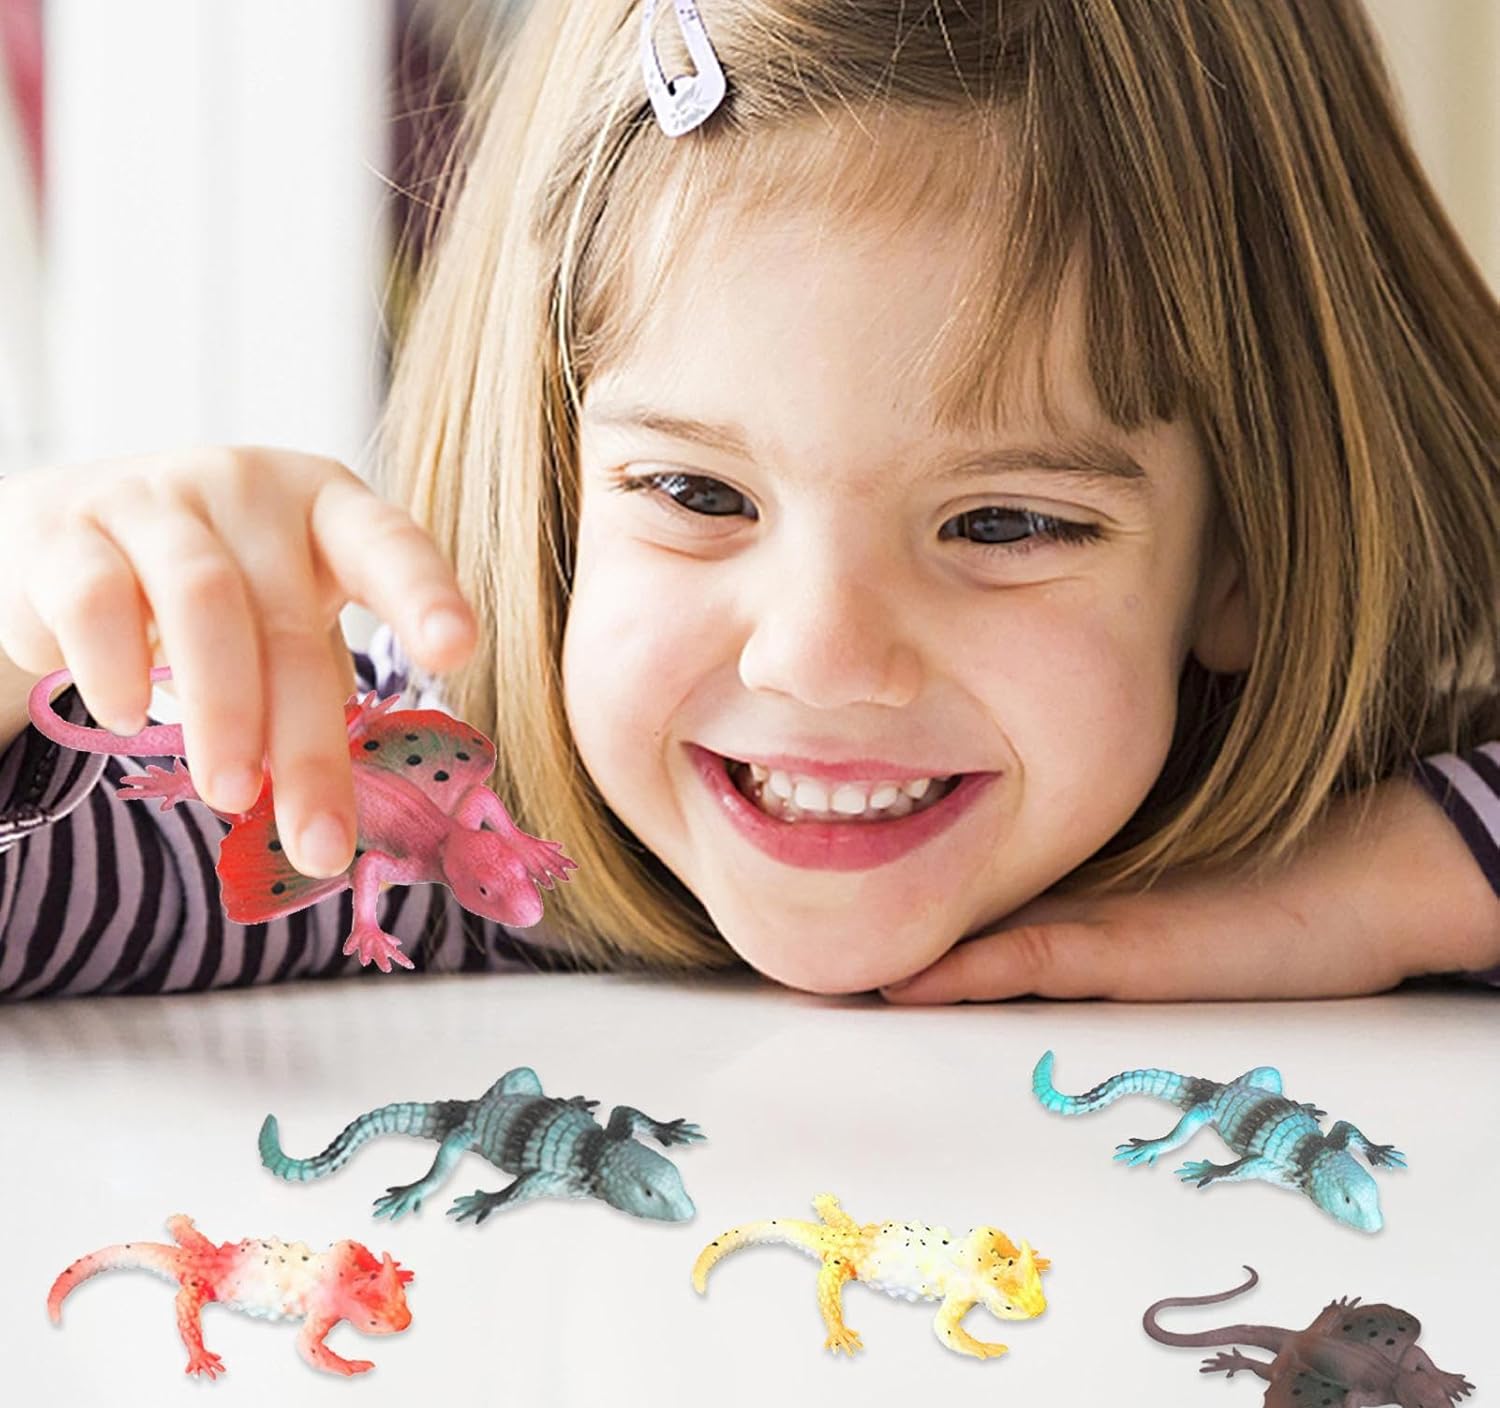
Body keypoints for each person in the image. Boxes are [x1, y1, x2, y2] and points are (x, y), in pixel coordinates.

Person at [1, 0, 1496, 1004]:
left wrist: (1385, 886)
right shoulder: (420, 813)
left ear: (1244, 555)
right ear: (554, 497)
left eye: (1003, 523)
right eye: (694, 492)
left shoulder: (1378, 810)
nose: (819, 661)